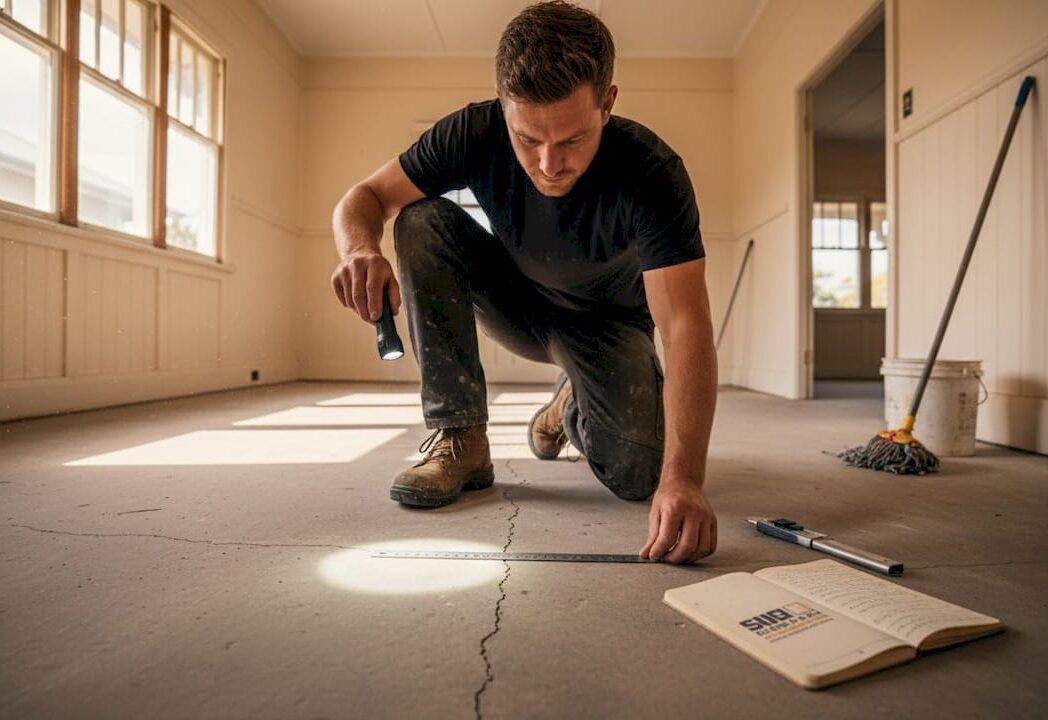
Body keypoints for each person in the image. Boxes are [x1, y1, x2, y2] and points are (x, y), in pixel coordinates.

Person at [330, 1, 717, 564]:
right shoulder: (474, 131)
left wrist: (684, 479)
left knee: (640, 474)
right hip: (518, 303)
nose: (549, 163)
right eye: (528, 139)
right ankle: (459, 436)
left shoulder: (651, 173)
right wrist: (359, 248)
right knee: (422, 219)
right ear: (504, 107)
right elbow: (362, 198)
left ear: (608, 103)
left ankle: (568, 405)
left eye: (571, 140)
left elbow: (685, 327)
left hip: (607, 328)